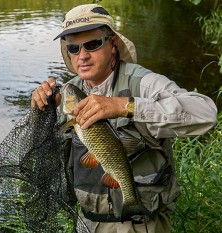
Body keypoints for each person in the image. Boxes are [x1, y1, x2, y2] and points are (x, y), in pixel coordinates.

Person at [31, 4, 217, 233]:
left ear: (113, 44)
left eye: (92, 44)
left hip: (141, 223)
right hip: (87, 222)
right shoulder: (69, 93)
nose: (83, 56)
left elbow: (206, 113)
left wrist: (126, 106)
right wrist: (43, 109)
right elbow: (41, 148)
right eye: (73, 48)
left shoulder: (144, 83)